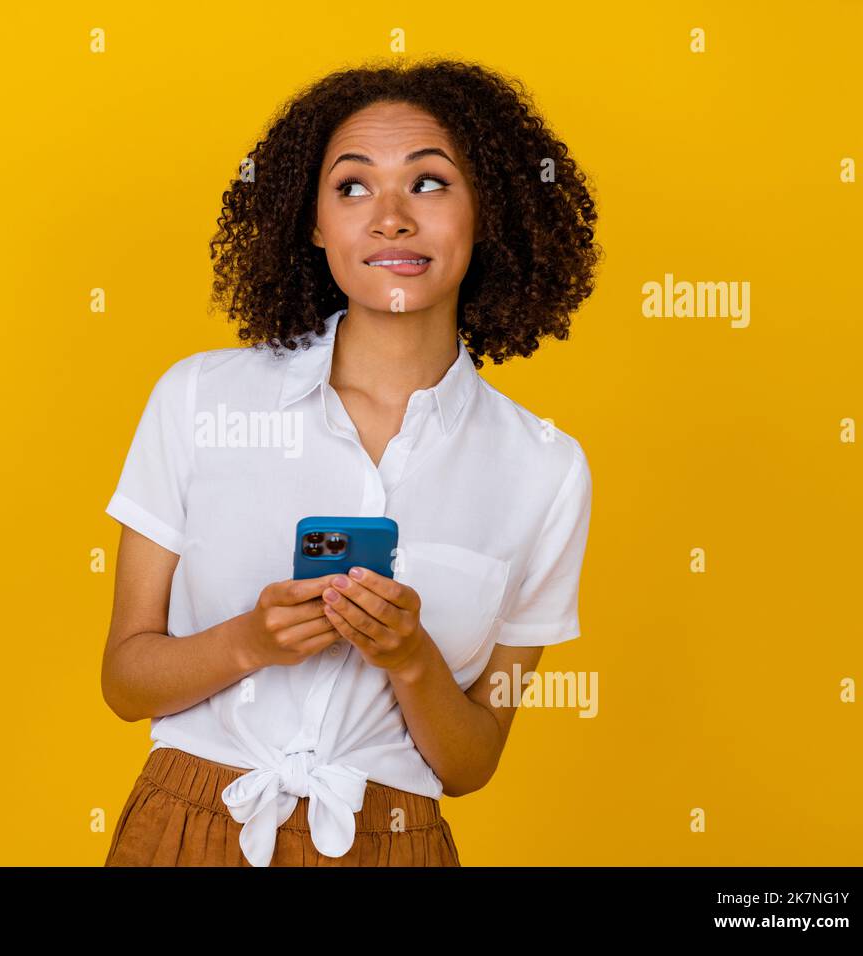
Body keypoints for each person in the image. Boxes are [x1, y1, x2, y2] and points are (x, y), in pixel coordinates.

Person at [100, 56, 601, 867]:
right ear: (314, 221)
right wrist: (249, 641)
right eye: (354, 187)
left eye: (431, 183)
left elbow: (472, 762)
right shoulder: (198, 400)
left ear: (488, 213)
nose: (392, 219)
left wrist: (412, 658)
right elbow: (125, 681)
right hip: (189, 827)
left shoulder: (545, 471)